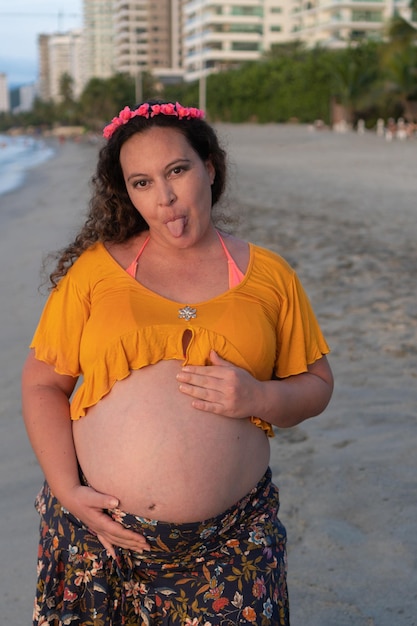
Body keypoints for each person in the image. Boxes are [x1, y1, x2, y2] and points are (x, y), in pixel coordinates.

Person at [22, 100, 333, 626]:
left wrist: (258, 397)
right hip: (101, 539)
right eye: (141, 183)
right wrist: (68, 490)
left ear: (209, 168)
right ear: (127, 192)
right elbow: (42, 384)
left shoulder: (271, 276)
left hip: (232, 545)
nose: (164, 198)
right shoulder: (95, 273)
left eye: (177, 171)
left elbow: (318, 385)